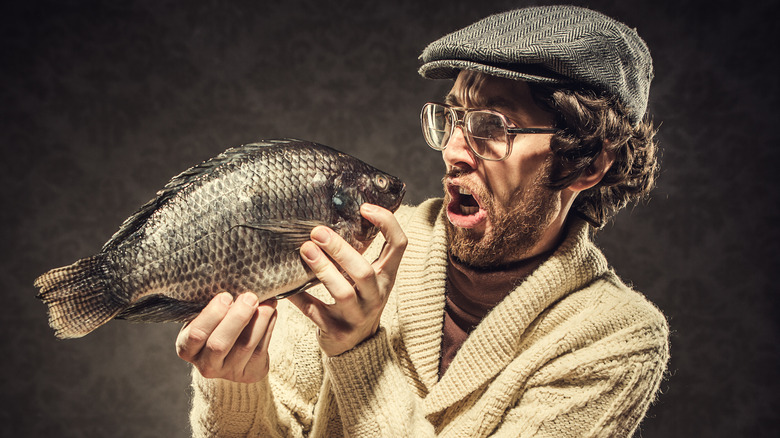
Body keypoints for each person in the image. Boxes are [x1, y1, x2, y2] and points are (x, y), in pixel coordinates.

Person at [175, 5, 669, 437]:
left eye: (491, 126)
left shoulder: (617, 337)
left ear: (585, 163)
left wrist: (359, 349)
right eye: (452, 118)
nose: (453, 151)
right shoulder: (357, 252)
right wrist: (235, 386)